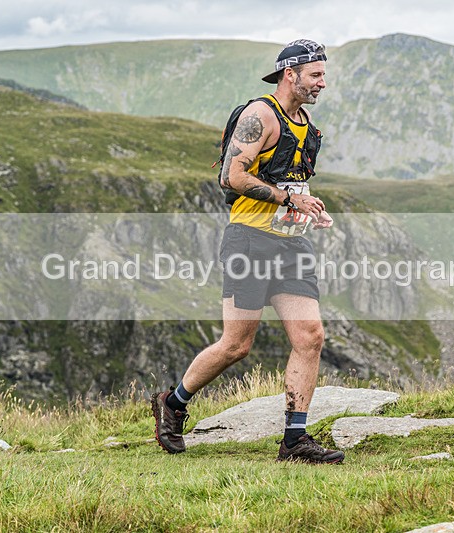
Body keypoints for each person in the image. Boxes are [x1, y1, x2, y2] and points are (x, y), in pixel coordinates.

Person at [151, 39, 344, 463]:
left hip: (291, 243)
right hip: (249, 241)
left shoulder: (305, 123)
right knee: (237, 345)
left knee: (310, 338)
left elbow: (288, 181)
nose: (322, 83)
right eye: (315, 75)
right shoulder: (260, 115)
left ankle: (295, 440)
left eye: (323, 75)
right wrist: (288, 200)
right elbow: (230, 175)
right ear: (289, 74)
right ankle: (174, 402)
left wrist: (307, 206)